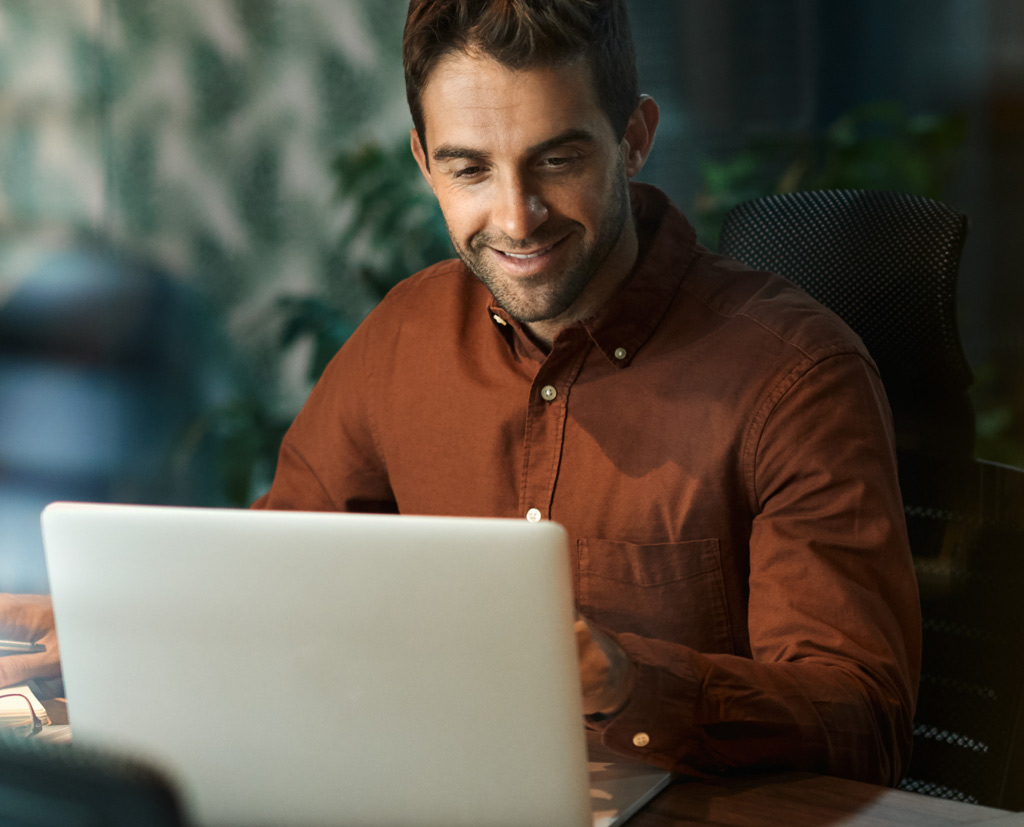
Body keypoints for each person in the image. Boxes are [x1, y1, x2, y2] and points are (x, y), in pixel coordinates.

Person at [4, 0, 920, 786]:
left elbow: (863, 721)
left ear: (633, 137)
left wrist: (629, 683)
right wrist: (118, 620)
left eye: (557, 159)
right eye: (470, 169)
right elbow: (279, 572)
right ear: (423, 160)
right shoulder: (406, 334)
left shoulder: (794, 377)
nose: (516, 218)